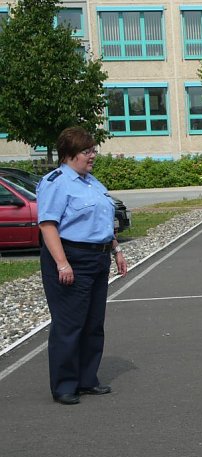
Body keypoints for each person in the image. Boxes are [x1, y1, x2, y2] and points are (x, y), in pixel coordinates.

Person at [37, 126, 128, 405]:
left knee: (92, 322)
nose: (93, 156)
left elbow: (102, 222)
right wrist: (62, 264)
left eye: (93, 150)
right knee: (69, 323)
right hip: (71, 257)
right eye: (87, 151)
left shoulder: (91, 182)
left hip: (97, 257)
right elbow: (48, 224)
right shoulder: (56, 182)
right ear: (70, 154)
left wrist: (116, 250)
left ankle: (87, 378)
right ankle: (65, 385)